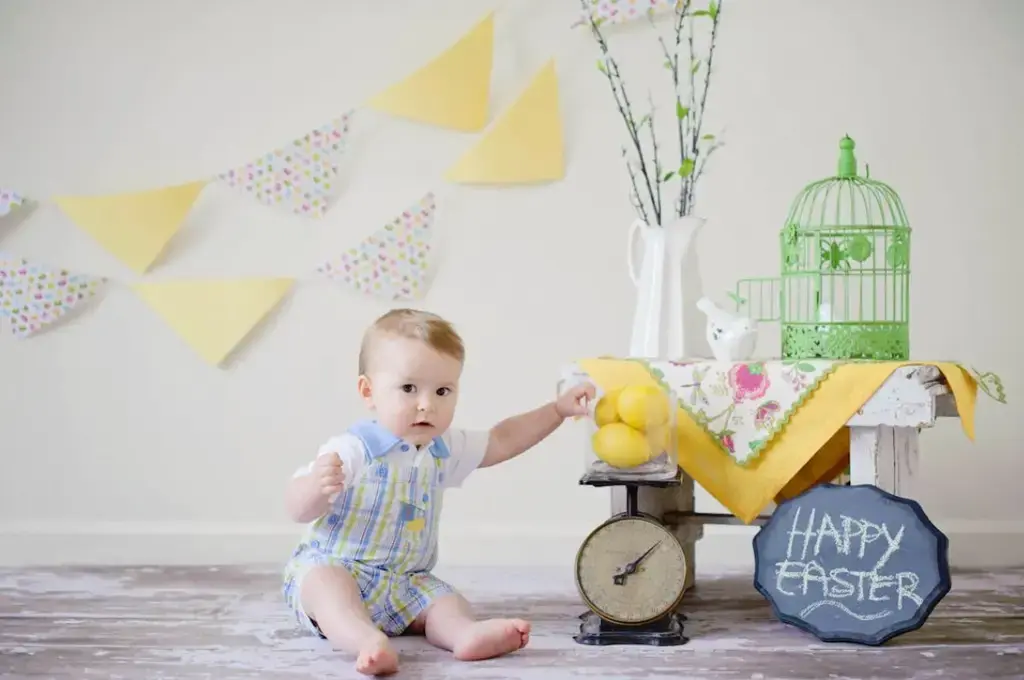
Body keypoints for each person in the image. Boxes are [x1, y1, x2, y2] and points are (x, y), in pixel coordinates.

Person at [282, 308, 595, 676]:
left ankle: (464, 634)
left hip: (405, 582)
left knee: (444, 601)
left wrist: (557, 410)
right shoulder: (353, 449)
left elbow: (502, 439)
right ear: (369, 391)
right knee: (327, 587)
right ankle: (365, 640)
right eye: (408, 388)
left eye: (442, 391)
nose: (427, 404)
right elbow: (296, 508)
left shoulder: (443, 447)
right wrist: (315, 489)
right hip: (341, 567)